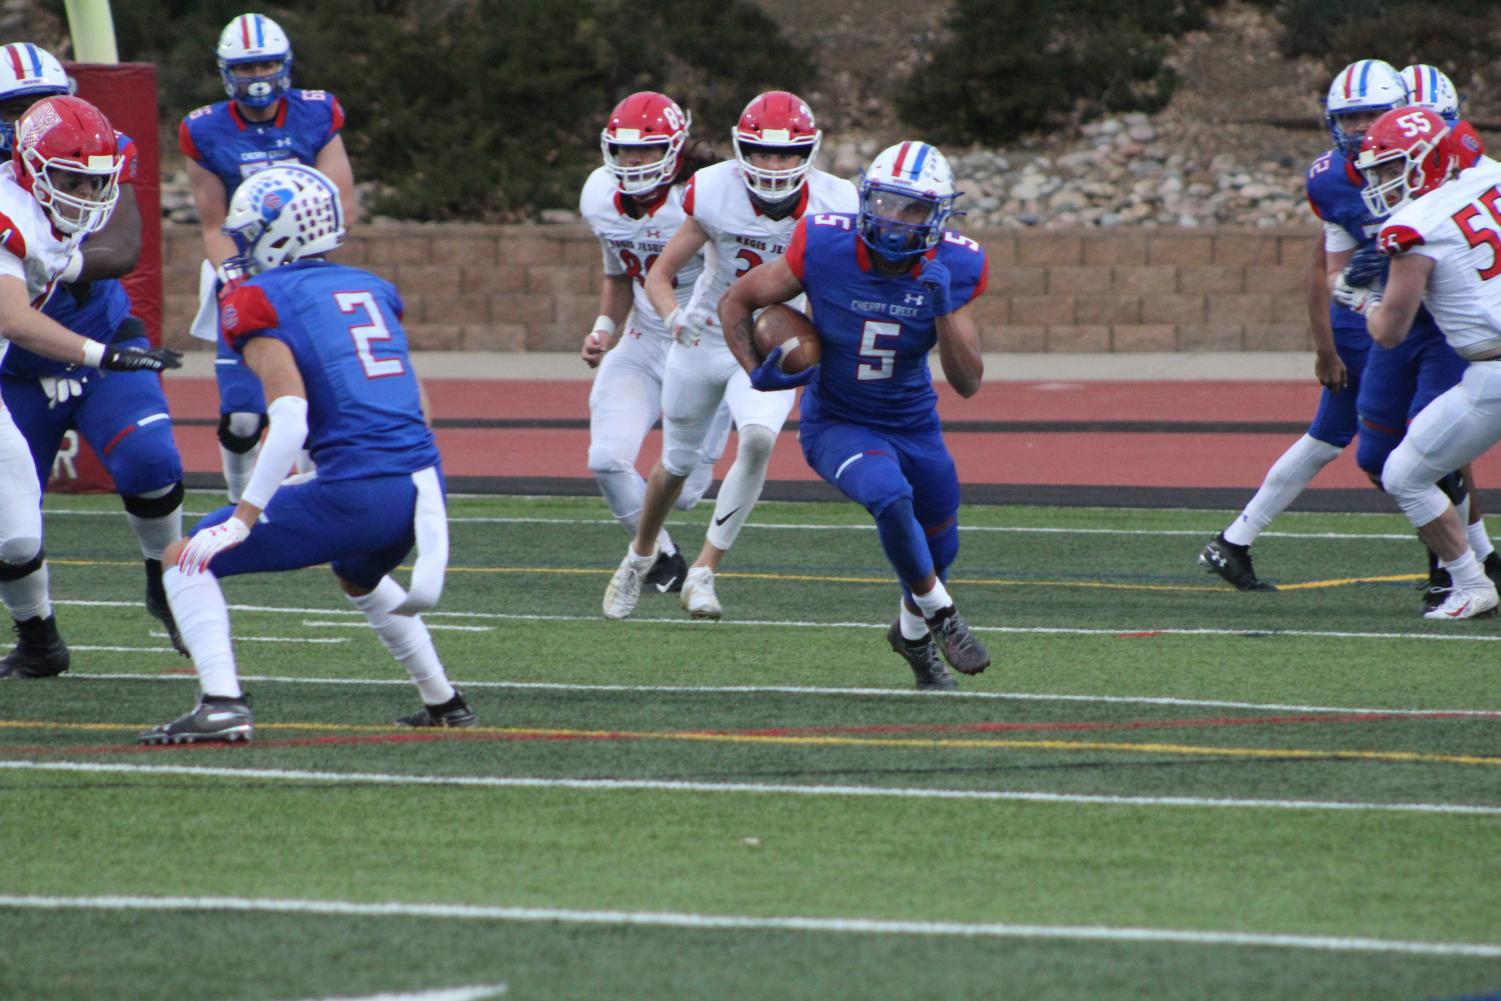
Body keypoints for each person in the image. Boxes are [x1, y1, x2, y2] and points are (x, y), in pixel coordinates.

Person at [139, 164, 467, 743]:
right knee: (356, 575)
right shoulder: (371, 287)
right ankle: (444, 700)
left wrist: (244, 516)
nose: (240, 248)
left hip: (362, 488)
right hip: (422, 485)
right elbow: (416, 401)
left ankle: (221, 703)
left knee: (184, 557)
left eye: (248, 235)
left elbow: (290, 418)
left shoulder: (261, 298)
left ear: (278, 233)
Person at [1200, 59, 1497, 608]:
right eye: (1352, 118)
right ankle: (1473, 565)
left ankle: (1462, 571)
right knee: (1383, 453)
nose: (1366, 133)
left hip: (1449, 334)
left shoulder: (1449, 190)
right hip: (1401, 326)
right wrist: (1331, 334)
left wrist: (1369, 293)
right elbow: (1330, 269)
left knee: (1423, 452)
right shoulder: (1342, 182)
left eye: (1375, 117)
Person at [718, 140, 990, 688]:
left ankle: (911, 639)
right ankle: (943, 616)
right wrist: (754, 369)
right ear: (866, 197)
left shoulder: (956, 266)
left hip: (914, 421)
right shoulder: (823, 244)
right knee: (890, 496)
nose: (894, 220)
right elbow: (736, 301)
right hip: (837, 421)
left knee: (942, 541)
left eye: (912, 208)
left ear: (937, 215)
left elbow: (967, 383)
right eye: (886, 202)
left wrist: (942, 313)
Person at [602, 89, 857, 621]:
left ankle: (703, 572)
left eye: (786, 153)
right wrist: (674, 316)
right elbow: (659, 274)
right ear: (741, 149)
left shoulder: (838, 202)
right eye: (761, 152)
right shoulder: (714, 190)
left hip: (774, 342)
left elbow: (845, 281)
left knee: (760, 439)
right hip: (708, 337)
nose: (772, 165)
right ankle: (639, 555)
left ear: (808, 152)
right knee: (675, 464)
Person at [0, 42, 189, 660]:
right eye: (14, 110)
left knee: (151, 460)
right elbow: (15, 319)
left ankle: (166, 581)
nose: (30, 120)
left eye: (44, 105)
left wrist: (59, 256)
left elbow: (124, 246)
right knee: (13, 531)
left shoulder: (93, 153)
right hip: (18, 366)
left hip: (98, 337)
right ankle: (37, 636)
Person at [179, 12, 355, 503]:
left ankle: (310, 496)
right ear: (225, 71)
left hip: (303, 266)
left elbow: (340, 204)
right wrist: (236, 278)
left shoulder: (317, 113)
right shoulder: (205, 128)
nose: (257, 77)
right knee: (241, 415)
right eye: (246, 67)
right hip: (240, 266)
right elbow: (214, 224)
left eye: (266, 65)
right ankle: (238, 498)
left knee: (316, 394)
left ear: (285, 65)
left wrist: (306, 264)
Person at [1334, 105, 1501, 619]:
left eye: (1392, 167)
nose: (1383, 180)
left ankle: (1472, 584)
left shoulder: (1414, 225)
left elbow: (1389, 332)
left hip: (1493, 373)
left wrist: (1359, 299)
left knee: (1403, 473)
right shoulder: (1488, 177)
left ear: (1428, 159)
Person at [579, 91, 732, 594]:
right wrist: (604, 328)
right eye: (623, 149)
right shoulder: (599, 195)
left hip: (703, 346)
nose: (632, 160)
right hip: (644, 340)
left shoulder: (706, 194)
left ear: (676, 147)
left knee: (684, 493)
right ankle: (662, 558)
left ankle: (660, 545)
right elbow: (619, 273)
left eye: (645, 149)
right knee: (605, 457)